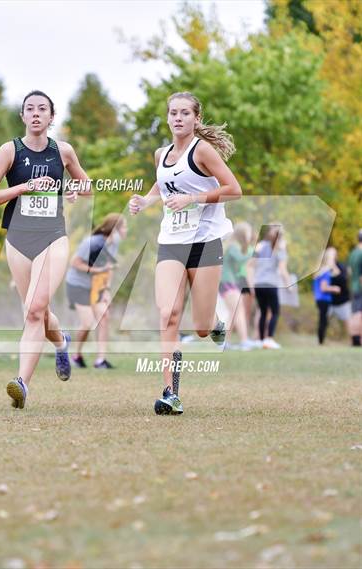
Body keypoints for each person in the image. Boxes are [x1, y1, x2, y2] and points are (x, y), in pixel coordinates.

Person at [129, 91, 242, 414]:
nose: (178, 118)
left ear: (196, 119)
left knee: (201, 327)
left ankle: (216, 324)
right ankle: (170, 393)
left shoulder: (203, 151)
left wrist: (193, 200)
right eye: (173, 113)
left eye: (184, 113)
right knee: (168, 315)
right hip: (172, 242)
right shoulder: (160, 154)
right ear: (167, 118)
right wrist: (146, 201)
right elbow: (163, 185)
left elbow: (234, 190)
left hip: (205, 243)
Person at [0, 90, 91, 409]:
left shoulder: (63, 151)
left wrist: (72, 189)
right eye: (30, 109)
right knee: (35, 311)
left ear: (52, 117)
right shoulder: (9, 151)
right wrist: (23, 188)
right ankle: (60, 341)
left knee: (35, 308)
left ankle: (22, 384)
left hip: (52, 236)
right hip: (17, 239)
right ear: (23, 116)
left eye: (43, 109)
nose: (37, 113)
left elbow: (87, 186)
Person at [66, 213, 127, 368]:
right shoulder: (91, 243)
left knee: (104, 316)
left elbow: (109, 267)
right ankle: (75, 356)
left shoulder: (115, 242)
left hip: (96, 286)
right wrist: (98, 269)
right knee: (88, 323)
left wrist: (106, 290)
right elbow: (74, 263)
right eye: (124, 227)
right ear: (114, 229)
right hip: (77, 284)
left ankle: (100, 360)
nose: (126, 230)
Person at [248, 224, 290, 349]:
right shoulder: (280, 250)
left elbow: (251, 265)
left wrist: (251, 285)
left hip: (258, 284)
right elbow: (283, 270)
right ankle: (269, 339)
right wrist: (288, 285)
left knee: (263, 311)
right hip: (271, 284)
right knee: (275, 312)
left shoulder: (260, 246)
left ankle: (261, 340)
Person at [219, 222, 256, 350]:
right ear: (242, 234)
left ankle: (224, 342)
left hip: (229, 282)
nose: (251, 235)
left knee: (233, 312)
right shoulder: (233, 246)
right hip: (226, 281)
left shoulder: (236, 246)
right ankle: (244, 340)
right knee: (237, 309)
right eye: (249, 232)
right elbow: (242, 259)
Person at [312, 248, 342, 345]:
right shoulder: (325, 272)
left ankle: (321, 340)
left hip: (318, 298)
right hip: (324, 299)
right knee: (323, 320)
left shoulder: (318, 271)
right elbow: (324, 288)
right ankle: (321, 341)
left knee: (323, 319)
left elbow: (337, 273)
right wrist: (334, 288)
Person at [348, 229, 362, 347]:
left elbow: (349, 271)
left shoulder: (353, 253)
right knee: (359, 313)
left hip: (353, 287)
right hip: (361, 287)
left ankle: (354, 339)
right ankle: (359, 340)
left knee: (354, 313)